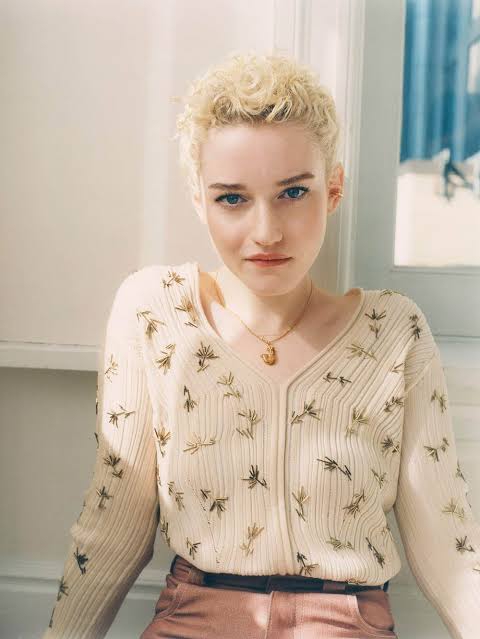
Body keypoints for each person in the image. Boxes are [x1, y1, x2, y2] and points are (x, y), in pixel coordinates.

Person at [42, 51, 480, 639]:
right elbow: (112, 528)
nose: (267, 231)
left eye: (293, 193)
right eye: (232, 198)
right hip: (193, 619)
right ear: (199, 199)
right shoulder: (154, 314)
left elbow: (450, 549)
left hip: (345, 622)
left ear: (333, 189)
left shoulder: (392, 332)